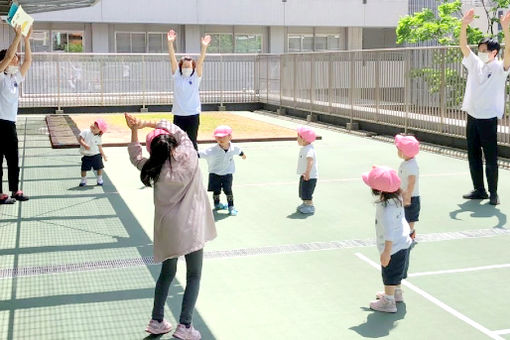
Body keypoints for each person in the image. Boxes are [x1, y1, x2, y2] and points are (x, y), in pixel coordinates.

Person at [124, 113, 216, 339]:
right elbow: (178, 130)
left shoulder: (152, 169)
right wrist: (144, 122)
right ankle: (185, 326)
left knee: (167, 273)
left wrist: (134, 129)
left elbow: (135, 156)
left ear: (152, 151)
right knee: (194, 275)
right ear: (173, 142)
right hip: (192, 228)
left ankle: (157, 321)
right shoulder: (190, 156)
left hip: (168, 231)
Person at [459, 9, 510, 205]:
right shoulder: (475, 64)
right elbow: (463, 45)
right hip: (472, 115)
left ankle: (493, 193)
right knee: (472, 155)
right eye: (479, 49)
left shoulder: (499, 68)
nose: (480, 52)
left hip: (488, 118)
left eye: (484, 50)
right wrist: (464, 25)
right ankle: (479, 190)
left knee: (490, 157)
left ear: (494, 52)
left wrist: (506, 29)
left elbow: (508, 56)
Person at [362, 166, 412, 313]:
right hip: (404, 242)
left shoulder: (385, 208)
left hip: (394, 246)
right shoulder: (397, 198)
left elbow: (389, 232)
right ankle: (396, 293)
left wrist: (386, 252)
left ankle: (388, 302)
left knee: (389, 273)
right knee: (398, 271)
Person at [0, 25, 32, 204]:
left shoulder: (14, 79)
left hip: (10, 124)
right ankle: (0, 194)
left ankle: (15, 191)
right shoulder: (0, 76)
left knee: (13, 159)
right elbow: (8, 56)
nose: (16, 61)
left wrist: (26, 40)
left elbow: (27, 61)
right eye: (14, 60)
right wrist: (17, 35)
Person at [167, 29, 211, 150]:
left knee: (192, 141)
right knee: (176, 142)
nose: (187, 68)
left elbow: (201, 61)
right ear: (181, 67)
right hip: (178, 114)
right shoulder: (177, 76)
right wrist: (170, 43)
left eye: (189, 66)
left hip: (193, 114)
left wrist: (204, 47)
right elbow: (172, 58)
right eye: (185, 66)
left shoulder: (196, 77)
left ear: (193, 67)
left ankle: (193, 164)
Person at [198, 125, 246, 216]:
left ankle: (231, 207)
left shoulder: (233, 148)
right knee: (216, 191)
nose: (220, 139)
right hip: (214, 173)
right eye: (217, 137)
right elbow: (199, 154)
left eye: (223, 137)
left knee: (228, 190)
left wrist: (243, 156)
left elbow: (240, 152)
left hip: (228, 173)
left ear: (230, 137)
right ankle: (217, 204)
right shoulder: (211, 150)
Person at [395, 134, 420, 239]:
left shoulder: (411, 165)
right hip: (403, 195)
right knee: (403, 216)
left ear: (404, 152)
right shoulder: (405, 163)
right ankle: (405, 232)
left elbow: (411, 182)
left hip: (411, 196)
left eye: (398, 149)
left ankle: (410, 233)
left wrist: (408, 196)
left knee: (410, 217)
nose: (397, 151)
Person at [77, 119, 108, 186]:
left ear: (100, 131)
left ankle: (99, 179)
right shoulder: (86, 131)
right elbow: (80, 139)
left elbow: (100, 148)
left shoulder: (98, 138)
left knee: (99, 168)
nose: (94, 126)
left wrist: (104, 155)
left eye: (97, 126)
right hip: (86, 155)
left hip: (96, 155)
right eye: (95, 124)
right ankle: (83, 180)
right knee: (84, 169)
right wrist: (84, 145)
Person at [296, 126, 318, 214]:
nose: (296, 139)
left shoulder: (309, 150)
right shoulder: (305, 148)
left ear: (304, 140)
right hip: (304, 175)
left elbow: (310, 161)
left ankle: (310, 206)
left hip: (309, 176)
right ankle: (305, 204)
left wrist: (308, 172)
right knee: (302, 191)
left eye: (298, 137)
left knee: (307, 192)